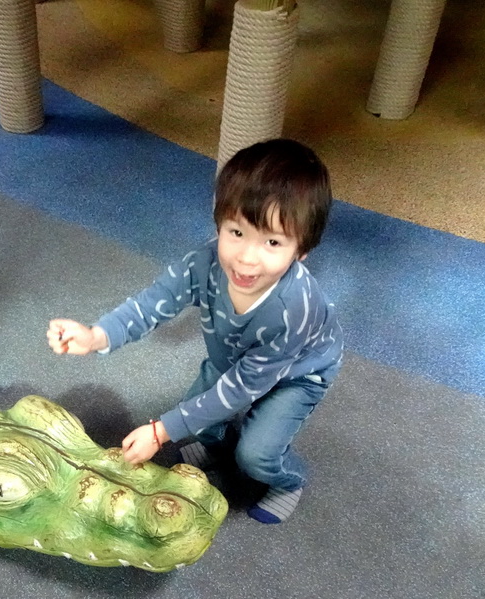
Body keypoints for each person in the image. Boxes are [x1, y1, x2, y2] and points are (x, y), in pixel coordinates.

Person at [46, 139, 344, 524]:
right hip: (233, 357)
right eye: (236, 232)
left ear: (301, 250)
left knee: (255, 455)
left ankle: (288, 481)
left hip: (299, 373)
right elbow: (152, 303)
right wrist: (96, 335)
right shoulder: (203, 263)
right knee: (200, 417)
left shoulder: (295, 309)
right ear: (219, 221)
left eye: (272, 242)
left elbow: (240, 388)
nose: (247, 258)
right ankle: (217, 448)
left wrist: (161, 430)